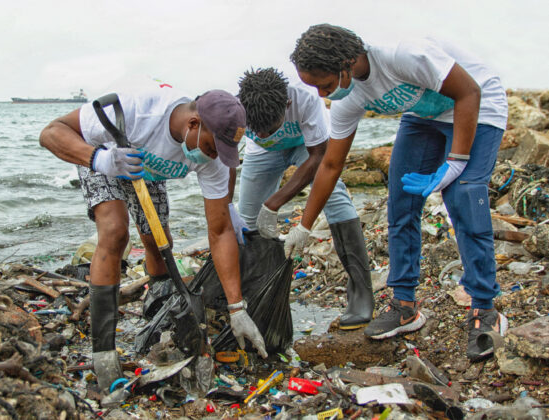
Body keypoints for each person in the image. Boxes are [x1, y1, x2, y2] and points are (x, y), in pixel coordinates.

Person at [285, 24, 508, 361]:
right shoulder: (348, 99)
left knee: (463, 196)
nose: (321, 96)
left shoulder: (404, 55)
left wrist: (457, 162)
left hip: (477, 103)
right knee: (401, 201)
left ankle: (485, 307)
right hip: (423, 116)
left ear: (346, 62)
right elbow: (330, 166)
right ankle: (404, 304)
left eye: (325, 85)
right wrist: (304, 225)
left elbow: (469, 93)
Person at [39, 88, 268, 393]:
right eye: (213, 148)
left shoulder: (213, 157)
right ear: (193, 124)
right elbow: (51, 132)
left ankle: (158, 310)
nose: (215, 157)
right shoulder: (139, 112)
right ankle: (103, 351)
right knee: (116, 232)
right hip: (107, 152)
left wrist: (237, 307)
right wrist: (101, 159)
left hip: (147, 167)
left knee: (157, 239)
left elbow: (221, 230)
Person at [236, 67, 374, 329]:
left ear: (286, 105)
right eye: (259, 130)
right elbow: (227, 159)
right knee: (246, 220)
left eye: (271, 128)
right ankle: (257, 294)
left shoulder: (305, 100)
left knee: (335, 197)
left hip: (306, 146)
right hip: (262, 156)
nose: (265, 135)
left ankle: (361, 295)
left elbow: (319, 158)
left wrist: (275, 202)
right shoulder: (236, 108)